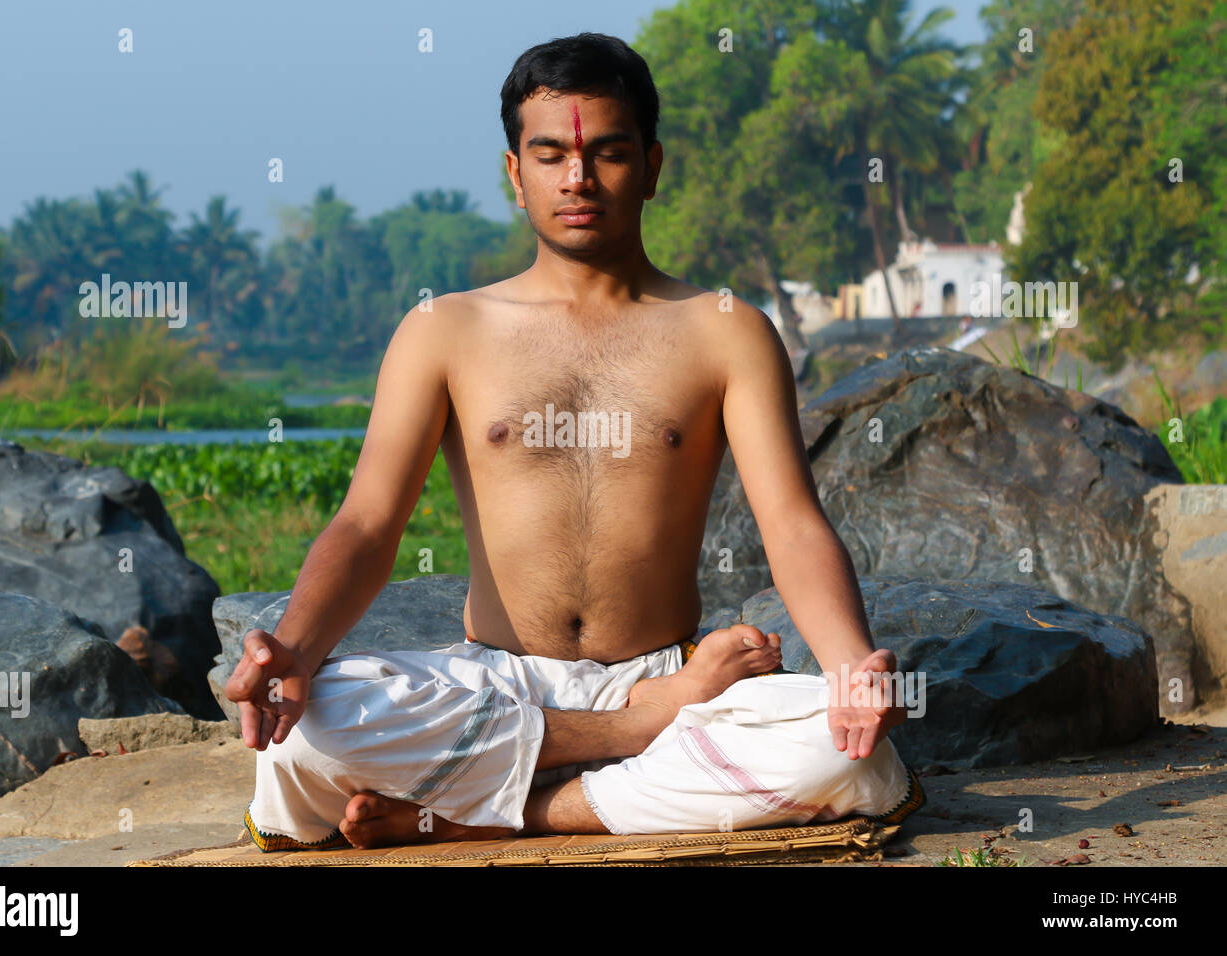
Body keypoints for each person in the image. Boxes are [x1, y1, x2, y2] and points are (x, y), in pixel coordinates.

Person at [226, 32, 923, 852]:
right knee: (309, 731)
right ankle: (621, 747)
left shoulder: (725, 331)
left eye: (609, 154)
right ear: (515, 175)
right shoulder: (443, 330)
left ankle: (506, 814)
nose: (578, 179)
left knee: (839, 750)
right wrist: (296, 649)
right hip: (500, 680)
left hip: (670, 676)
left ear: (653, 167)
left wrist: (848, 668)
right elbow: (368, 524)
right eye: (550, 154)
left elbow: (793, 524)